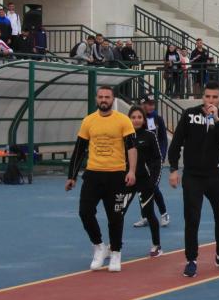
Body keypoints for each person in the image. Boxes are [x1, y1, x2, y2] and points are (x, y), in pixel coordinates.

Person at [167, 82, 219, 277]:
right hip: (193, 176)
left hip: (215, 176)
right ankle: (191, 259)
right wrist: (174, 169)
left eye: (214, 97)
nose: (210, 100)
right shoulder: (189, 115)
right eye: (207, 97)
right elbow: (176, 143)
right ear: (203, 97)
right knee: (192, 218)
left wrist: (216, 120)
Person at [66, 85, 137, 272]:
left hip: (116, 175)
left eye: (107, 97)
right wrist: (71, 176)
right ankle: (99, 246)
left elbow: (131, 147)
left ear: (113, 99)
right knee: (85, 212)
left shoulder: (123, 121)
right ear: (96, 99)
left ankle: (116, 252)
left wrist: (132, 171)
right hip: (93, 174)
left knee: (115, 216)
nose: (104, 100)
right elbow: (79, 149)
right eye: (101, 97)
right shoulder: (88, 121)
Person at [127, 106, 164, 258]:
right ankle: (114, 246)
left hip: (145, 182)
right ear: (128, 118)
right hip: (127, 181)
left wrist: (153, 181)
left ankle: (157, 245)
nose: (136, 120)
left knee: (149, 213)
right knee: (117, 213)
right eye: (133, 117)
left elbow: (157, 160)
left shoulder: (149, 136)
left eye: (139, 117)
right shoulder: (124, 136)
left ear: (143, 120)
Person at [132, 95, 172, 230]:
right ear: (142, 105)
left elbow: (163, 139)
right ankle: (145, 216)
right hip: (140, 160)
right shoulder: (137, 120)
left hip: (155, 160)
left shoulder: (158, 119)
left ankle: (164, 213)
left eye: (152, 104)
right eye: (148, 104)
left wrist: (162, 154)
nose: (151, 107)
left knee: (153, 187)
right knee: (140, 188)